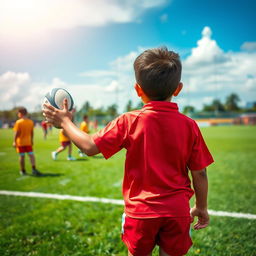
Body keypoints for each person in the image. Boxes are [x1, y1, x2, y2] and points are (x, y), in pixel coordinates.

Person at [43, 47, 214, 256]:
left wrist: (65, 122)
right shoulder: (190, 126)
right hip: (177, 212)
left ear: (137, 89)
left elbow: (88, 146)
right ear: (178, 89)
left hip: (140, 213)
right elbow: (200, 172)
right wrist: (201, 207)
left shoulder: (128, 121)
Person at [13, 107, 42, 176]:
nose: (18, 115)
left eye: (18, 113)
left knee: (22, 156)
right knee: (31, 156)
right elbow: (32, 133)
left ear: (21, 113)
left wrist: (14, 141)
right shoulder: (30, 122)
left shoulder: (18, 122)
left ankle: (22, 170)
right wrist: (31, 140)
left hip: (20, 143)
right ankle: (34, 169)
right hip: (28, 142)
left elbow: (16, 133)